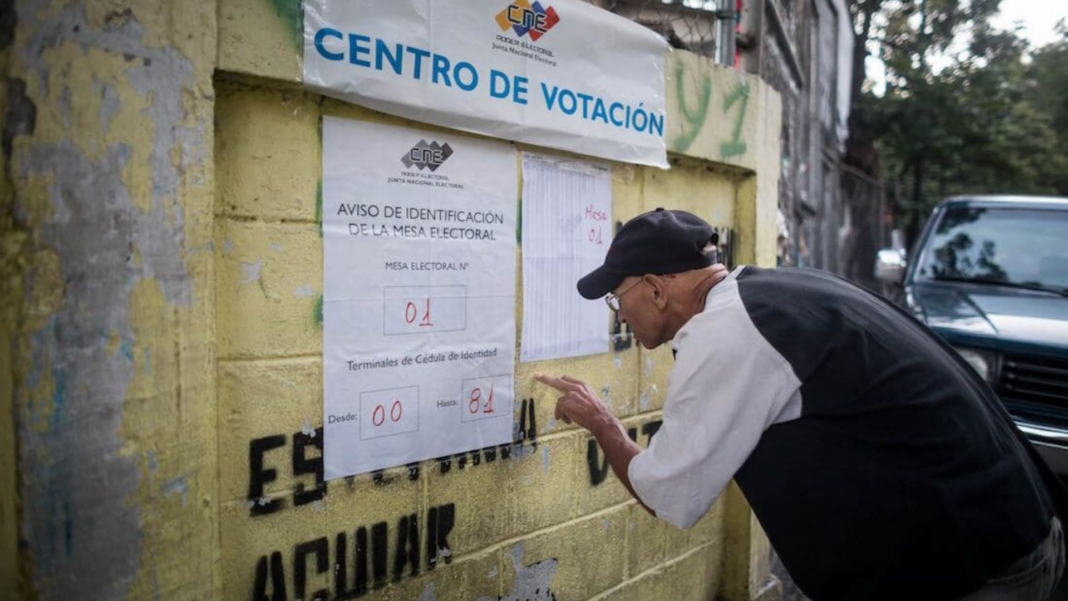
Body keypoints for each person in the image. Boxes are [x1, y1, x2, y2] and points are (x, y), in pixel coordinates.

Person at [534, 208, 1067, 601]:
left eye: (616, 295)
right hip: (1006, 533)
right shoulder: (770, 294)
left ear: (655, 289)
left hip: (976, 568)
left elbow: (668, 494)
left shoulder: (727, 334)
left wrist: (602, 423)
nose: (618, 313)